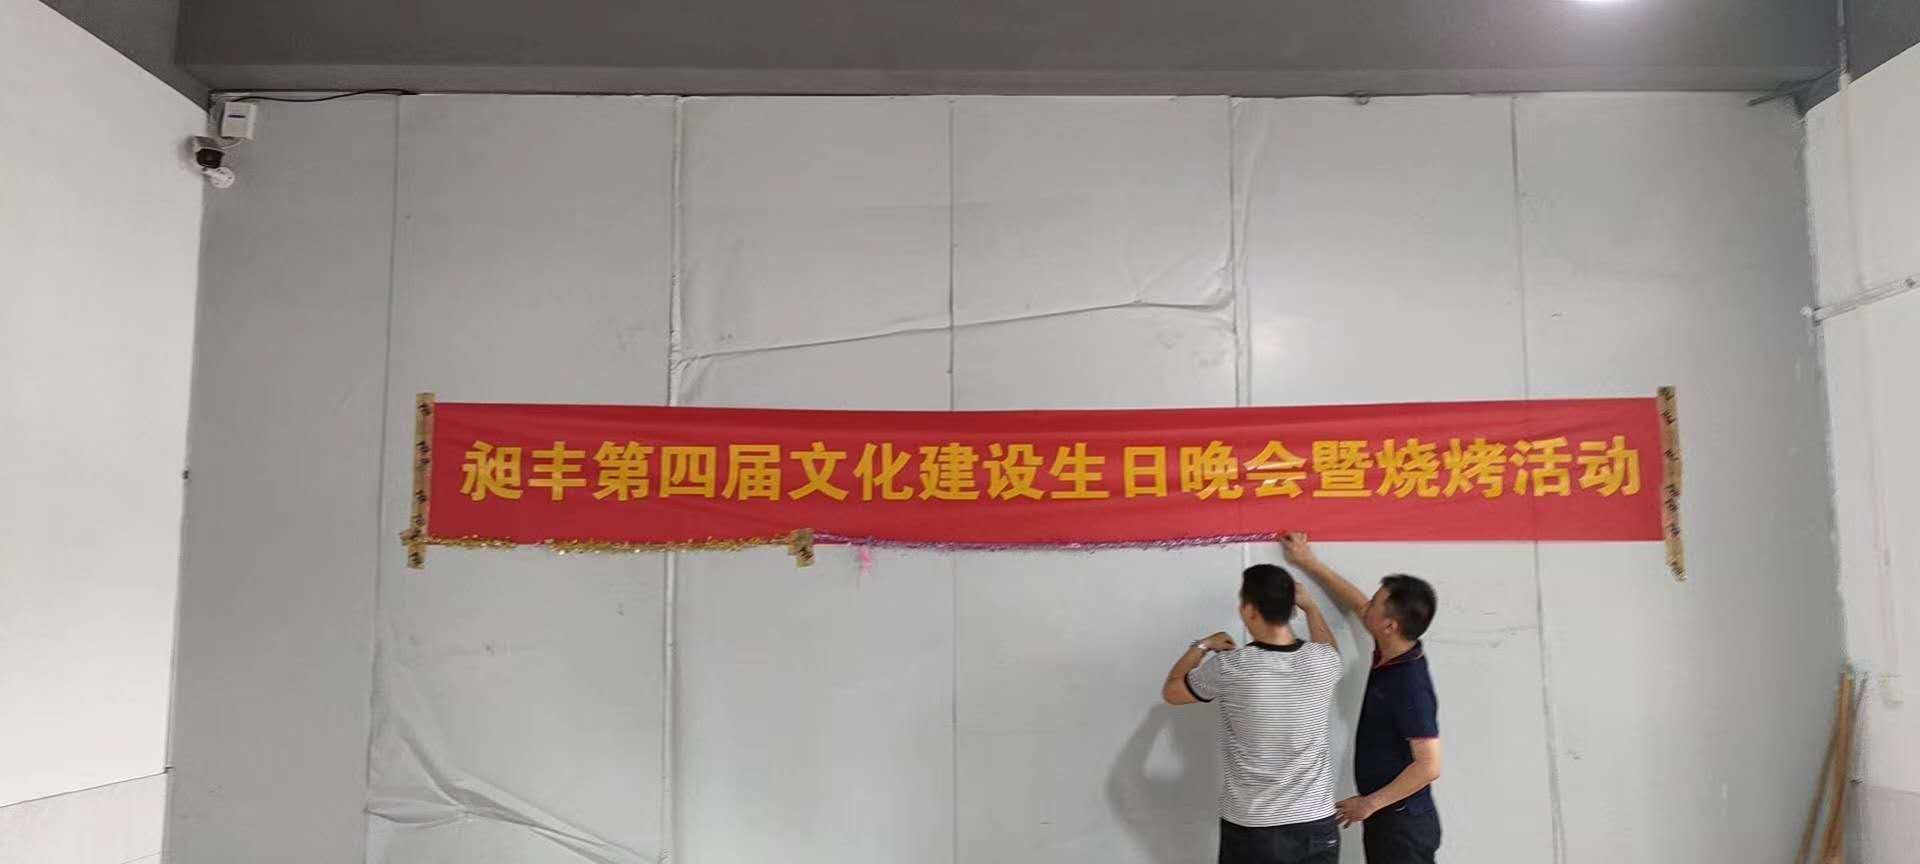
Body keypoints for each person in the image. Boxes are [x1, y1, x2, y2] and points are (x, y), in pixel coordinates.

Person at [1162, 563, 1345, 864]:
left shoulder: (1231, 666)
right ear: (1292, 608)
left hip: (1254, 826)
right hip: (1315, 822)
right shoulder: (1323, 661)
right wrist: (1311, 607)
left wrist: (1202, 645)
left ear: (1249, 610)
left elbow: (1171, 691)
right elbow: (1329, 647)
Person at [1281, 532, 1443, 864]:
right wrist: (1310, 564)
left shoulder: (1409, 684)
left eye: (1375, 603)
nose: (1366, 604)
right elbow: (1358, 605)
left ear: (1390, 626)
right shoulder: (1394, 648)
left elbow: (1429, 766)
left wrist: (1368, 804)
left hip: (1402, 826)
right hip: (1391, 817)